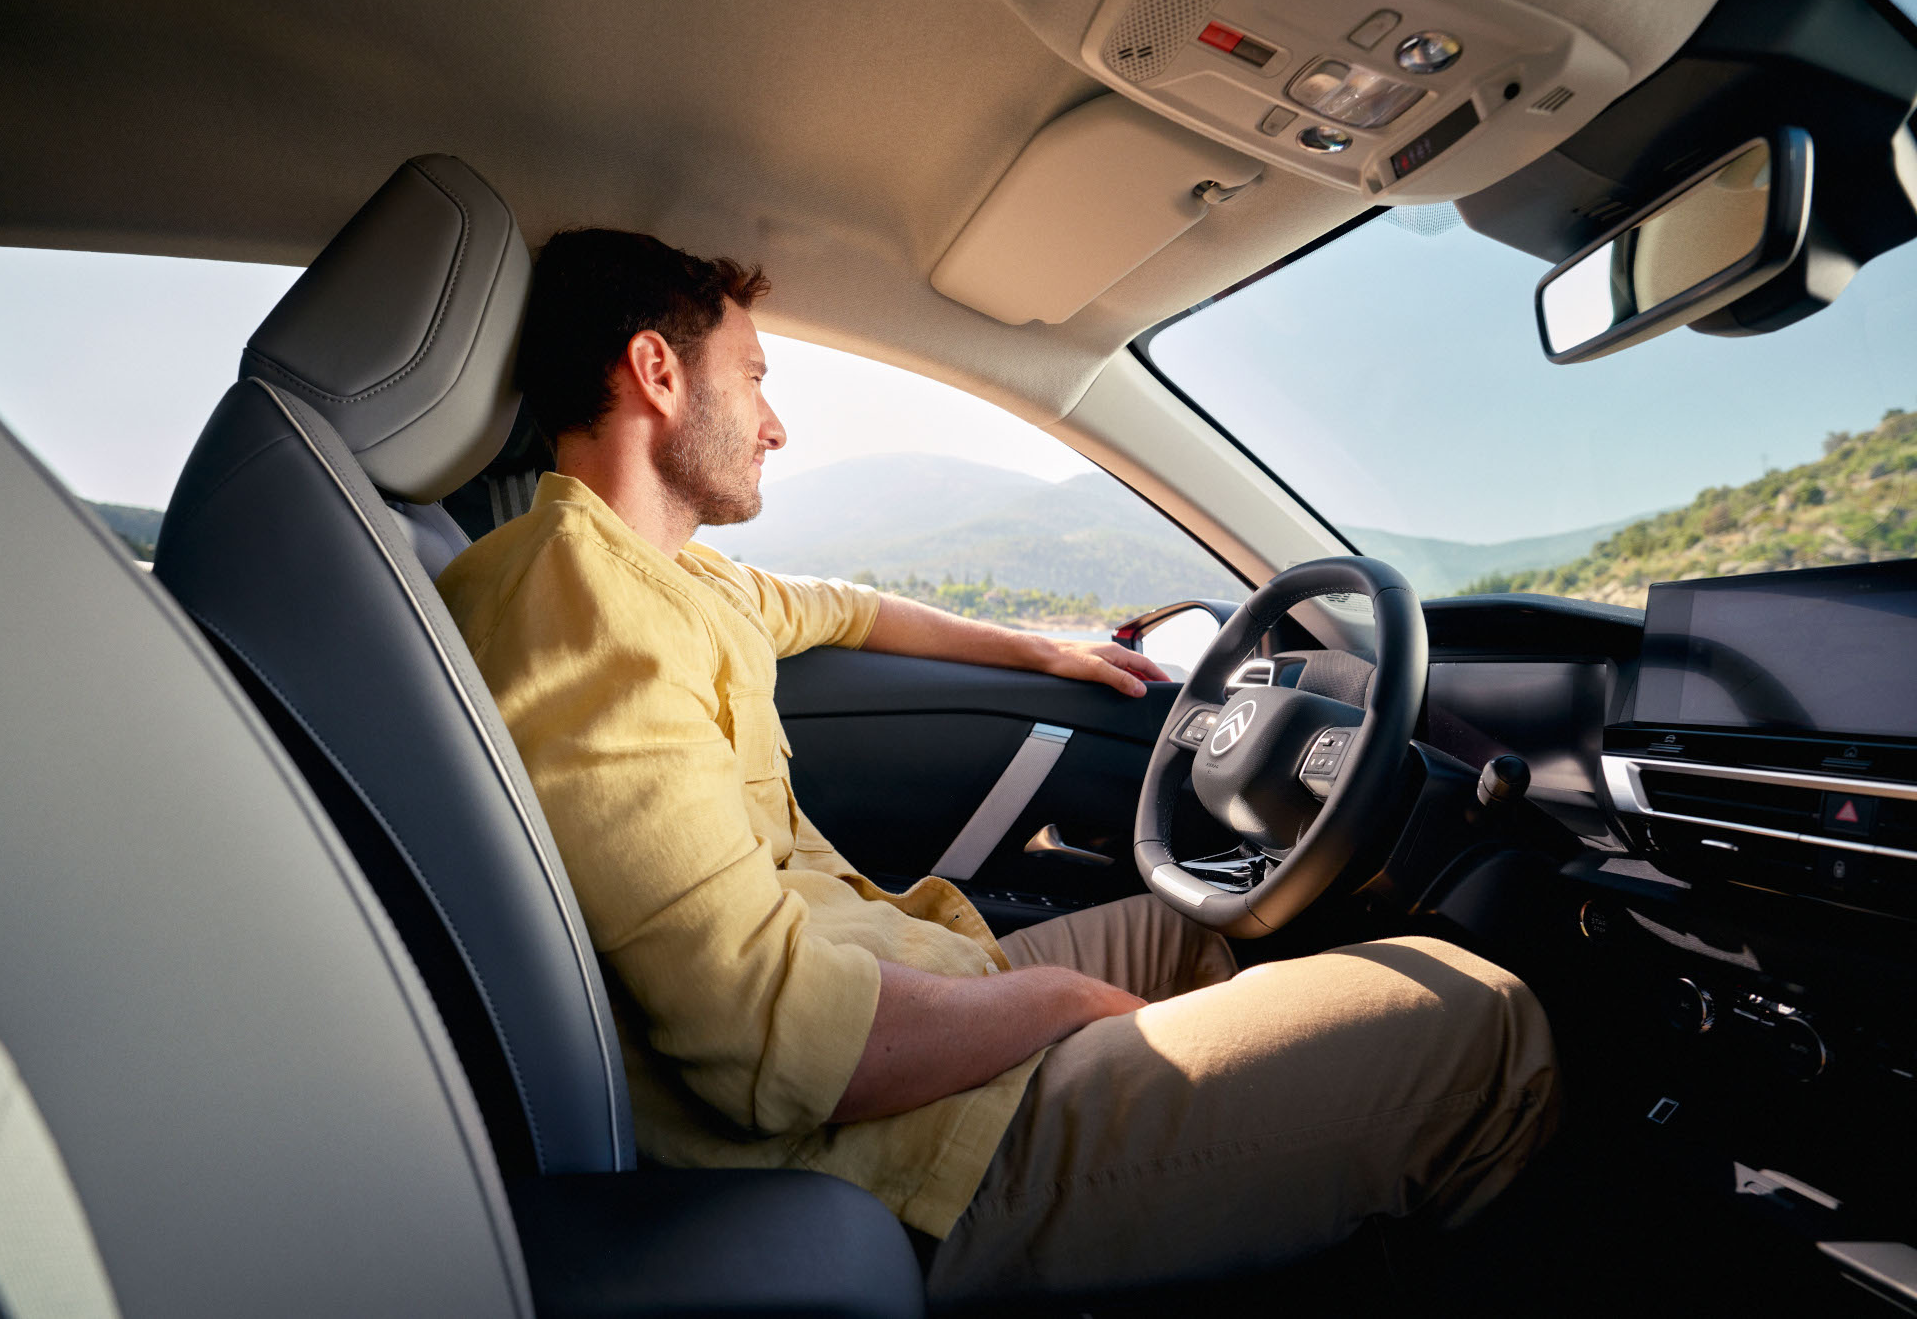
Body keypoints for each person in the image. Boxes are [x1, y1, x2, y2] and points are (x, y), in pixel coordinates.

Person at [436, 228, 1559, 1303]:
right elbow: (773, 1045)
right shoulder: (587, 615)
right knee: (1481, 1026)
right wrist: (1056, 1002)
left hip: (894, 983)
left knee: (1198, 932)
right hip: (885, 1148)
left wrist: (1040, 650)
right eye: (754, 378)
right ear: (656, 373)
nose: (774, 425)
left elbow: (844, 609)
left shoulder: (670, 579)